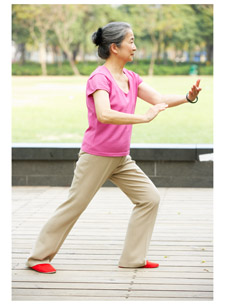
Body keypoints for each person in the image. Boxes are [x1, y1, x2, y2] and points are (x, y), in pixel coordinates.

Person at [26, 22, 201, 273]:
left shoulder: (131, 77)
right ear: (114, 47)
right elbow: (104, 114)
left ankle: (133, 258)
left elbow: (160, 100)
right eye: (130, 41)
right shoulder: (99, 77)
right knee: (74, 206)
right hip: (96, 156)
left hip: (121, 158)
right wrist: (144, 117)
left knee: (149, 198)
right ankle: (37, 258)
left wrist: (187, 97)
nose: (135, 47)